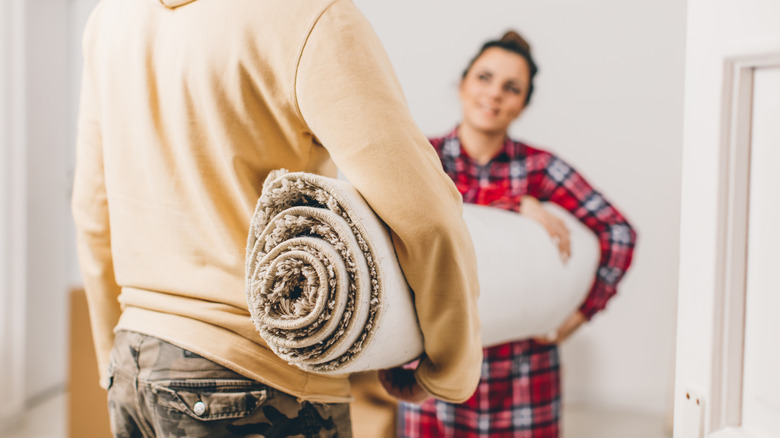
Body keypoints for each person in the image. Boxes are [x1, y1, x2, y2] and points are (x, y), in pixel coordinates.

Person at [71, 0, 483, 436]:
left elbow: (92, 212)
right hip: (256, 378)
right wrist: (450, 366)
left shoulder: (112, 17)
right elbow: (423, 215)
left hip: (133, 362)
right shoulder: (310, 15)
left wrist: (112, 359)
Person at [399, 31, 637, 437]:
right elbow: (398, 225)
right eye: (485, 78)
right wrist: (513, 204)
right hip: (436, 375)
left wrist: (582, 313)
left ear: (523, 104)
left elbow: (619, 232)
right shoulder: (421, 158)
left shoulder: (541, 168)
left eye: (512, 88)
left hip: (525, 380)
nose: (494, 94)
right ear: (463, 84)